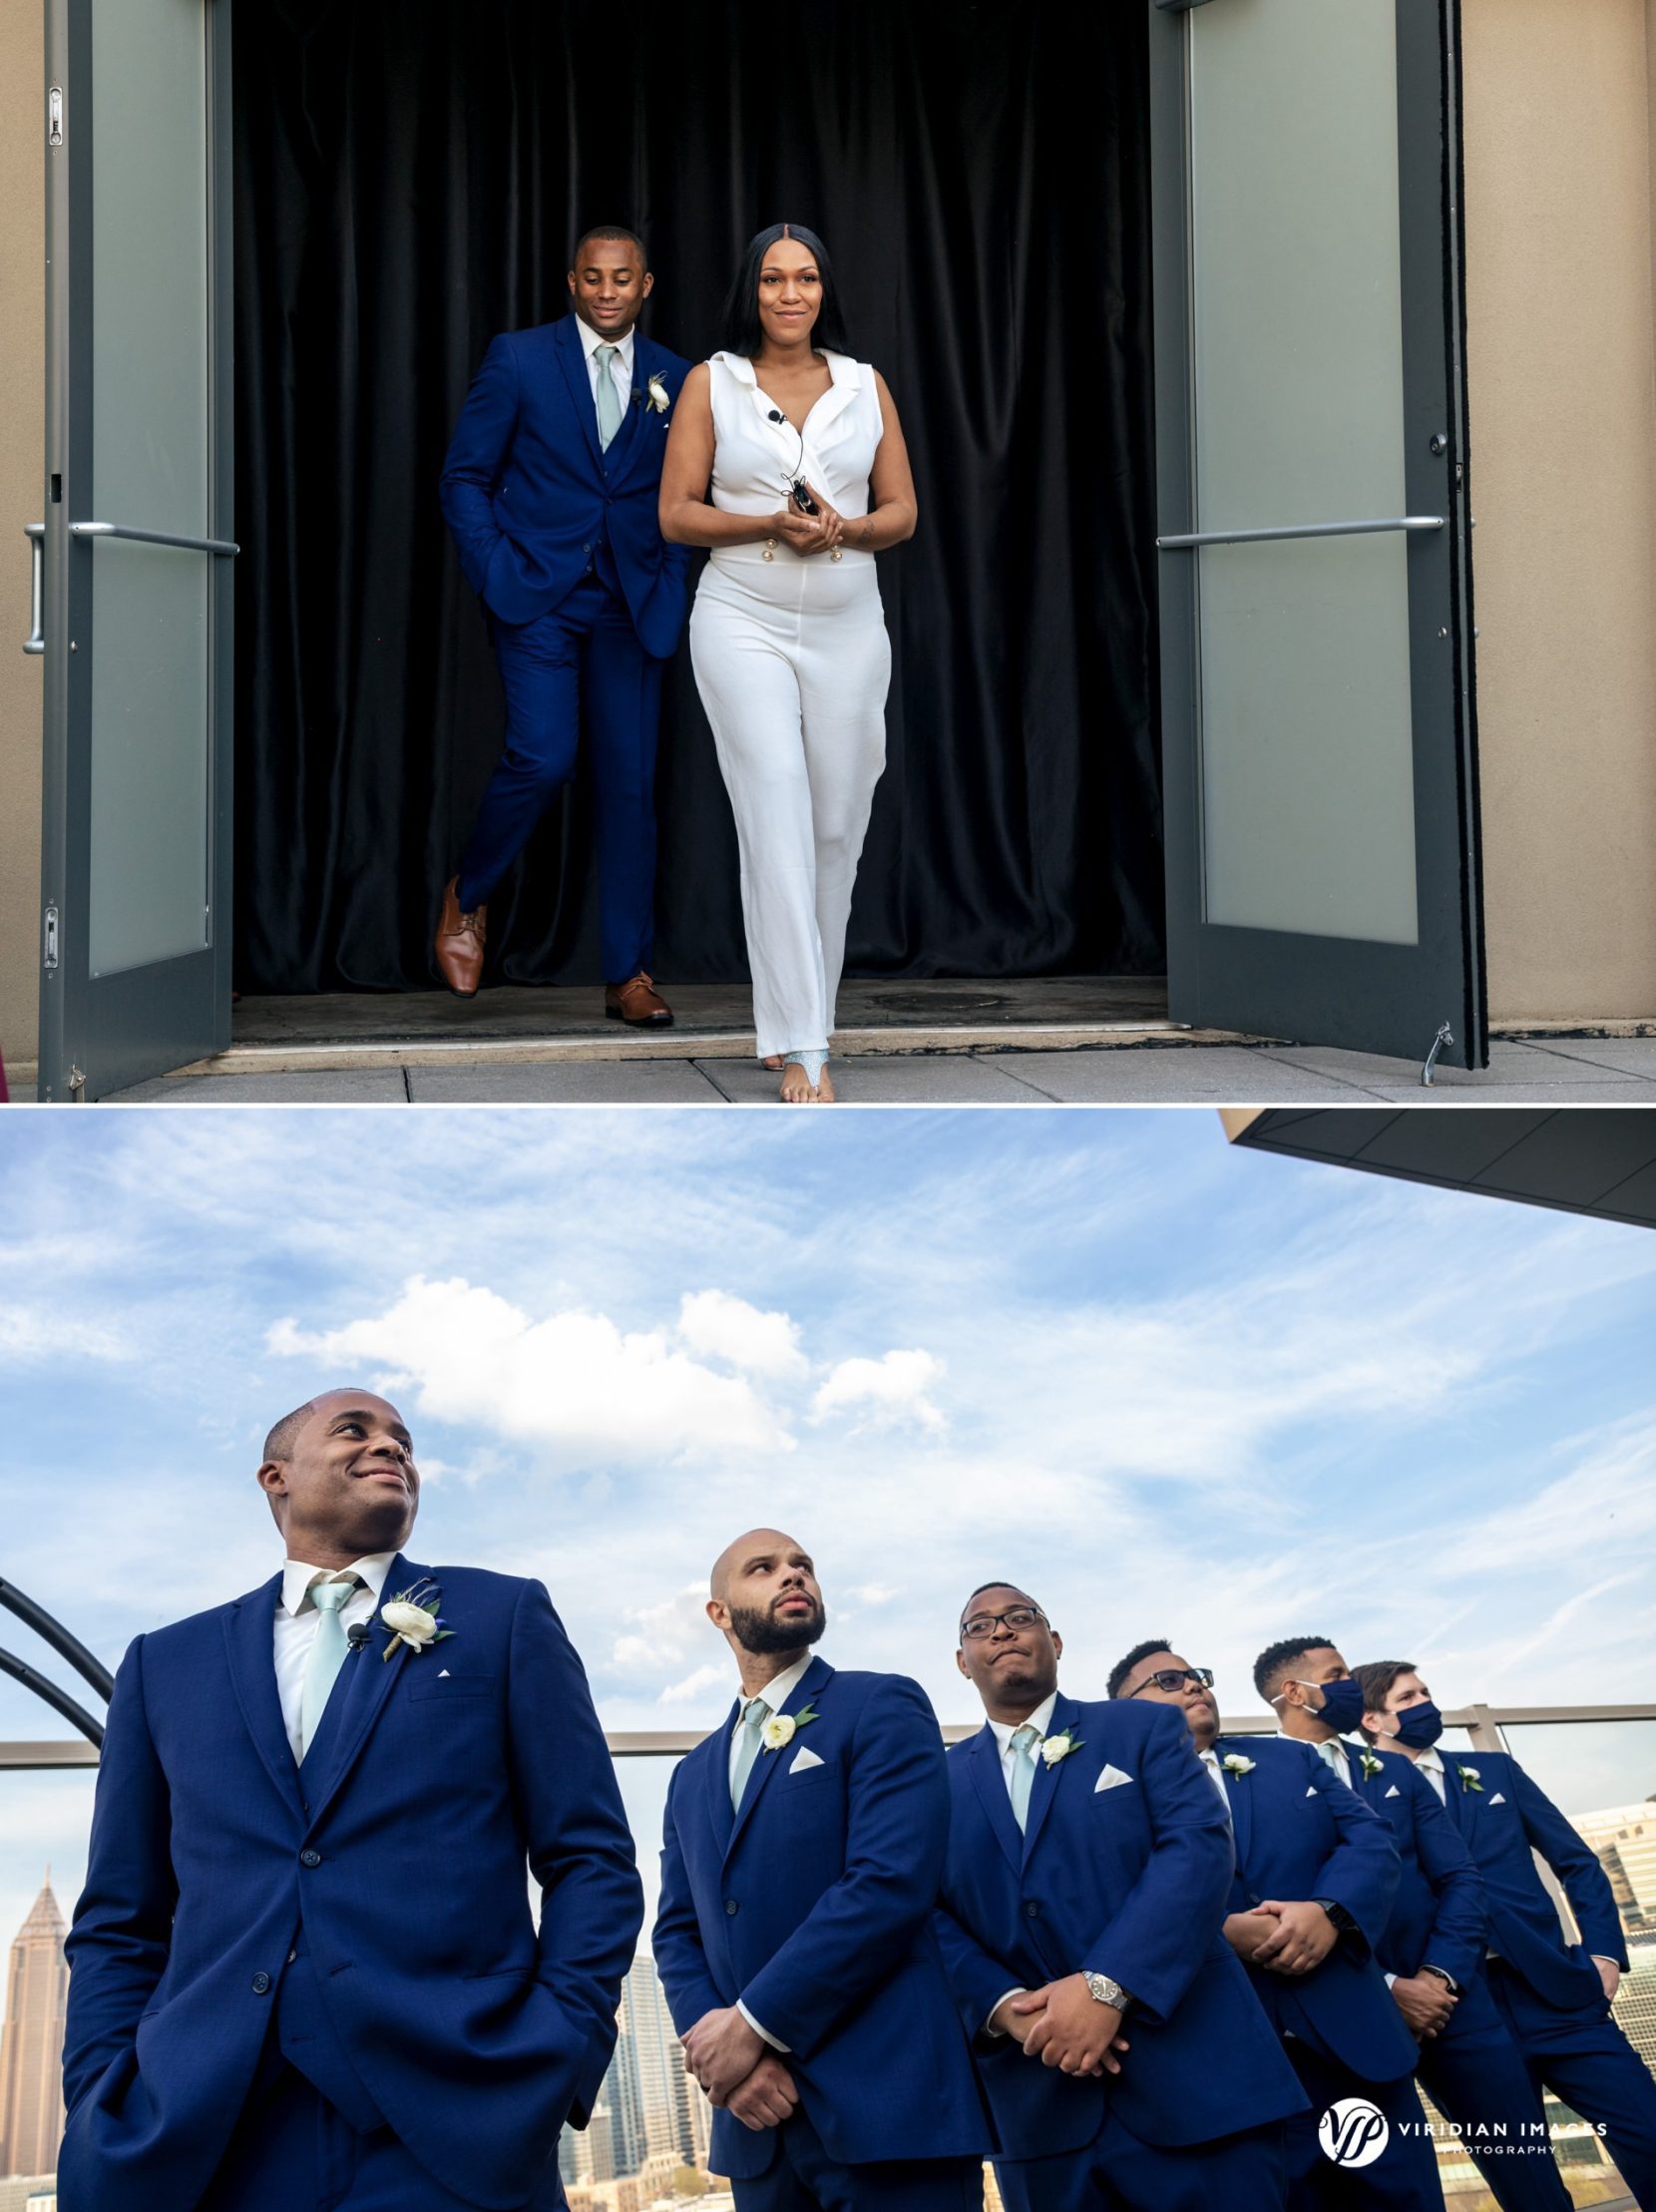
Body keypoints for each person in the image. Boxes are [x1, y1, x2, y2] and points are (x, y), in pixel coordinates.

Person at [61, 1389, 640, 2212]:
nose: (390, 1447)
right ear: (276, 1477)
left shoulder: (502, 1616)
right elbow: (120, 1914)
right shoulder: (164, 1663)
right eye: (354, 1430)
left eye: (403, 1440)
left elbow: (590, 1858)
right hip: (203, 2136)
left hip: (458, 2122)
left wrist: (561, 2045)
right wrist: (97, 2089)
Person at [934, 1585, 1304, 2212]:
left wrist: (1108, 1984)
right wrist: (1004, 2007)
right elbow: (924, 1911)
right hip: (1041, 2110)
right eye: (980, 1626)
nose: (1001, 1631)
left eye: (1020, 1617)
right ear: (963, 1661)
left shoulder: (1142, 1727)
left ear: (1053, 1643)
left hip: (1198, 2085)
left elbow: (1198, 1847)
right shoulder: (934, 1782)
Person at [659, 223, 918, 1105]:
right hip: (743, 614)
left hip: (848, 618)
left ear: (823, 289)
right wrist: (769, 522)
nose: (790, 295)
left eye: (805, 279)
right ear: (752, 290)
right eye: (773, 280)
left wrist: (843, 528)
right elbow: (677, 514)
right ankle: (804, 1045)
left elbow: (904, 512)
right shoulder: (711, 383)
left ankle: (799, 1013)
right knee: (773, 802)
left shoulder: (864, 385)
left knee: (836, 828)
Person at [651, 1529, 986, 2208]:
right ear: (719, 1612)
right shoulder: (690, 1776)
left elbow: (888, 1884)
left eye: (802, 1564)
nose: (793, 1574)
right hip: (756, 2125)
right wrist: (728, 2064)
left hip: (890, 2109)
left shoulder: (881, 1704)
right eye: (764, 1567)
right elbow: (676, 1931)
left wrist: (750, 2027)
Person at [436, 225, 690, 1022]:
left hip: (631, 601)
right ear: (572, 283)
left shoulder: (678, 378)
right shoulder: (518, 357)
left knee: (628, 786)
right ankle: (469, 892)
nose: (608, 290)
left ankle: (629, 974)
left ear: (645, 286)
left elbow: (685, 494)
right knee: (543, 756)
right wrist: (494, 566)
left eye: (623, 278)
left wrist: (671, 581)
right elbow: (464, 477)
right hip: (537, 592)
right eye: (593, 277)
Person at [1109, 1641, 1444, 2210]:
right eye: (1168, 1681)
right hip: (1227, 2067)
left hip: (1351, 2045)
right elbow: (1113, 1899)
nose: (1193, 1686)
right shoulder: (1111, 1793)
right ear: (1125, 1711)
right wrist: (1216, 1933)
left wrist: (1329, 1913)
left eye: (1197, 1676)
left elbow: (1371, 1842)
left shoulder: (1292, 1759)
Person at [1263, 1638, 1568, 2212]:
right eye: (1338, 1675)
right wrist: (1386, 1987)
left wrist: (1440, 1978)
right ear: (1297, 1693)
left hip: (1455, 2009)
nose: (1351, 1685)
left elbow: (1461, 1879)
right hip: (1342, 2023)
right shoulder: (1251, 1780)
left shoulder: (1392, 1771)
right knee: (1390, 2191)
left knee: (1530, 2176)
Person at [1356, 1658, 1656, 2210]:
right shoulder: (1355, 1796)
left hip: (1555, 1992)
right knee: (1527, 2185)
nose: (1426, 1703)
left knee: (1648, 2131)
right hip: (1453, 2013)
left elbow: (1578, 1864)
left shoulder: (1494, 1773)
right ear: (1372, 1720)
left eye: (1426, 1691)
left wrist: (1605, 1957)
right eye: (1408, 1697)